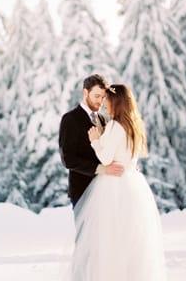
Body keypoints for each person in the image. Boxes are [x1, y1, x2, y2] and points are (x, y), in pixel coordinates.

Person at [68, 83, 167, 281]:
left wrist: (95, 139)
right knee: (130, 240)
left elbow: (106, 158)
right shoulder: (134, 126)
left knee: (107, 239)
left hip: (113, 185)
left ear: (117, 102)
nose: (104, 104)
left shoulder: (114, 125)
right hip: (133, 185)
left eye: (107, 100)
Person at [59, 74, 125, 208]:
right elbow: (68, 159)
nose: (100, 102)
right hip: (83, 191)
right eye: (96, 96)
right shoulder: (70, 119)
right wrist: (101, 169)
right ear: (85, 92)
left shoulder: (103, 119)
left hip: (105, 190)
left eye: (103, 97)